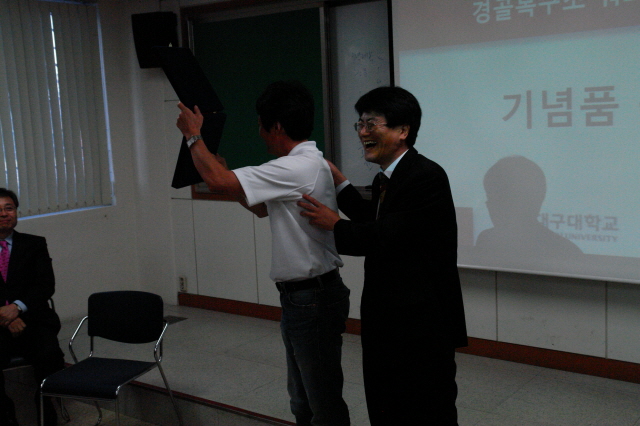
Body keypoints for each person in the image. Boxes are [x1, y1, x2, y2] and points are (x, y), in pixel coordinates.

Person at [176, 80, 350, 426]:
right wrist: (224, 174)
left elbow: (217, 181)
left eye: (260, 124)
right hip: (304, 297)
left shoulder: (298, 167)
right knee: (304, 401)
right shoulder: (300, 165)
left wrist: (194, 136)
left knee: (322, 404)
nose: (258, 133)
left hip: (312, 299)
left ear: (277, 127)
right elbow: (260, 208)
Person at [298, 86, 468, 425]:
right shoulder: (387, 179)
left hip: (420, 324)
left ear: (403, 130)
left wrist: (335, 225)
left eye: (372, 124)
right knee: (385, 401)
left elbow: (387, 236)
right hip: (389, 319)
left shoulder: (425, 176)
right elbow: (374, 220)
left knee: (425, 409)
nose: (363, 132)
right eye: (360, 124)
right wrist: (340, 183)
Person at [0, 188, 65, 426]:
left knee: (51, 356)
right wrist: (3, 315)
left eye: (9, 208)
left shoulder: (34, 244)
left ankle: (46, 413)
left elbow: (45, 285)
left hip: (33, 321)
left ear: (16, 212)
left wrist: (16, 308)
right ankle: (6, 415)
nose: (4, 214)